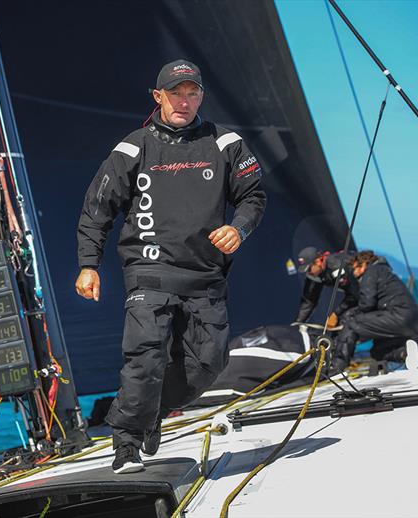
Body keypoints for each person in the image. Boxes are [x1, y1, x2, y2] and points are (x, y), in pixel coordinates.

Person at [75, 59, 266, 473]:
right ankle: (125, 442)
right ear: (158, 96)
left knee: (209, 364)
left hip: (205, 274)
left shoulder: (225, 141)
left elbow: (253, 196)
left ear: (201, 96)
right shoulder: (134, 146)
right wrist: (88, 265)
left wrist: (240, 229)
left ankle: (150, 410)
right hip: (149, 271)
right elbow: (97, 209)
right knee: (145, 357)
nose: (184, 101)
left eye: (191, 92)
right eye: (175, 93)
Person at [331, 251, 418, 372]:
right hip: (413, 323)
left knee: (351, 323)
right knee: (377, 352)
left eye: (355, 269)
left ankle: (337, 367)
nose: (353, 273)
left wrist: (346, 316)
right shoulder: (385, 272)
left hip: (397, 317)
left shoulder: (371, 272)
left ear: (363, 264)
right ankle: (405, 353)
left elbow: (367, 304)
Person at [294, 246, 358, 327]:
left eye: (309, 269)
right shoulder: (315, 273)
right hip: (357, 294)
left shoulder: (337, 267)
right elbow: (309, 301)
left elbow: (355, 293)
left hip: (368, 290)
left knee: (345, 320)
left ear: (318, 262)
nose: (308, 273)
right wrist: (297, 324)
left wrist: (336, 313)